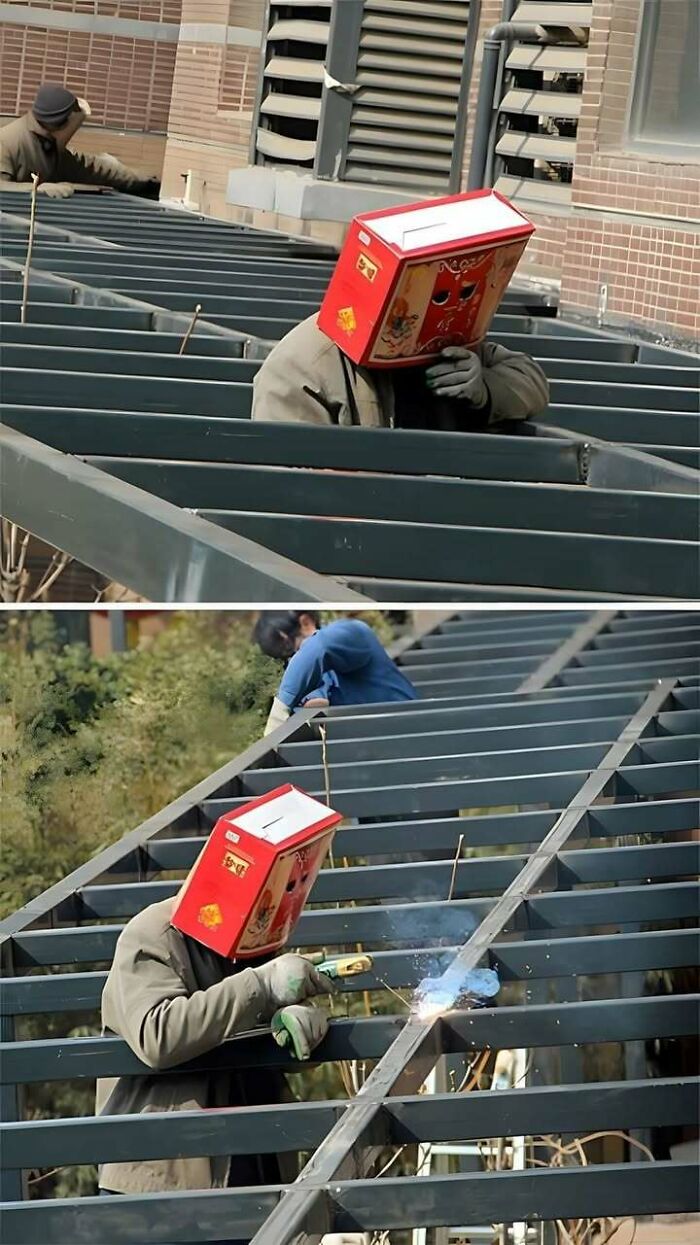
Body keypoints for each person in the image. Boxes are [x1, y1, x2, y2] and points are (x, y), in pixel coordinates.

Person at [95, 894, 334, 1218]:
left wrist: (298, 1023)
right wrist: (261, 984)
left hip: (255, 1170)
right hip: (165, 1185)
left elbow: (243, 1031)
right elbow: (157, 1034)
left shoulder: (254, 938)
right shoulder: (155, 933)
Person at [251, 311, 549, 432]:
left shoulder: (441, 335)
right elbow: (287, 480)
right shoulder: (301, 364)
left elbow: (532, 381)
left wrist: (483, 387)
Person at [253, 611, 417, 736]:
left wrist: (281, 707)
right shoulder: (311, 674)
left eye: (290, 648)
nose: (292, 658)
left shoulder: (352, 632)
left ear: (306, 622)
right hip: (375, 742)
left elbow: (317, 649)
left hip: (406, 727)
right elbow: (315, 692)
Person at [0, 83, 160, 198]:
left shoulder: (48, 146)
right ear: (59, 122)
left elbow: (97, 169)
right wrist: (37, 188)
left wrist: (148, 183)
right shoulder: (7, 142)